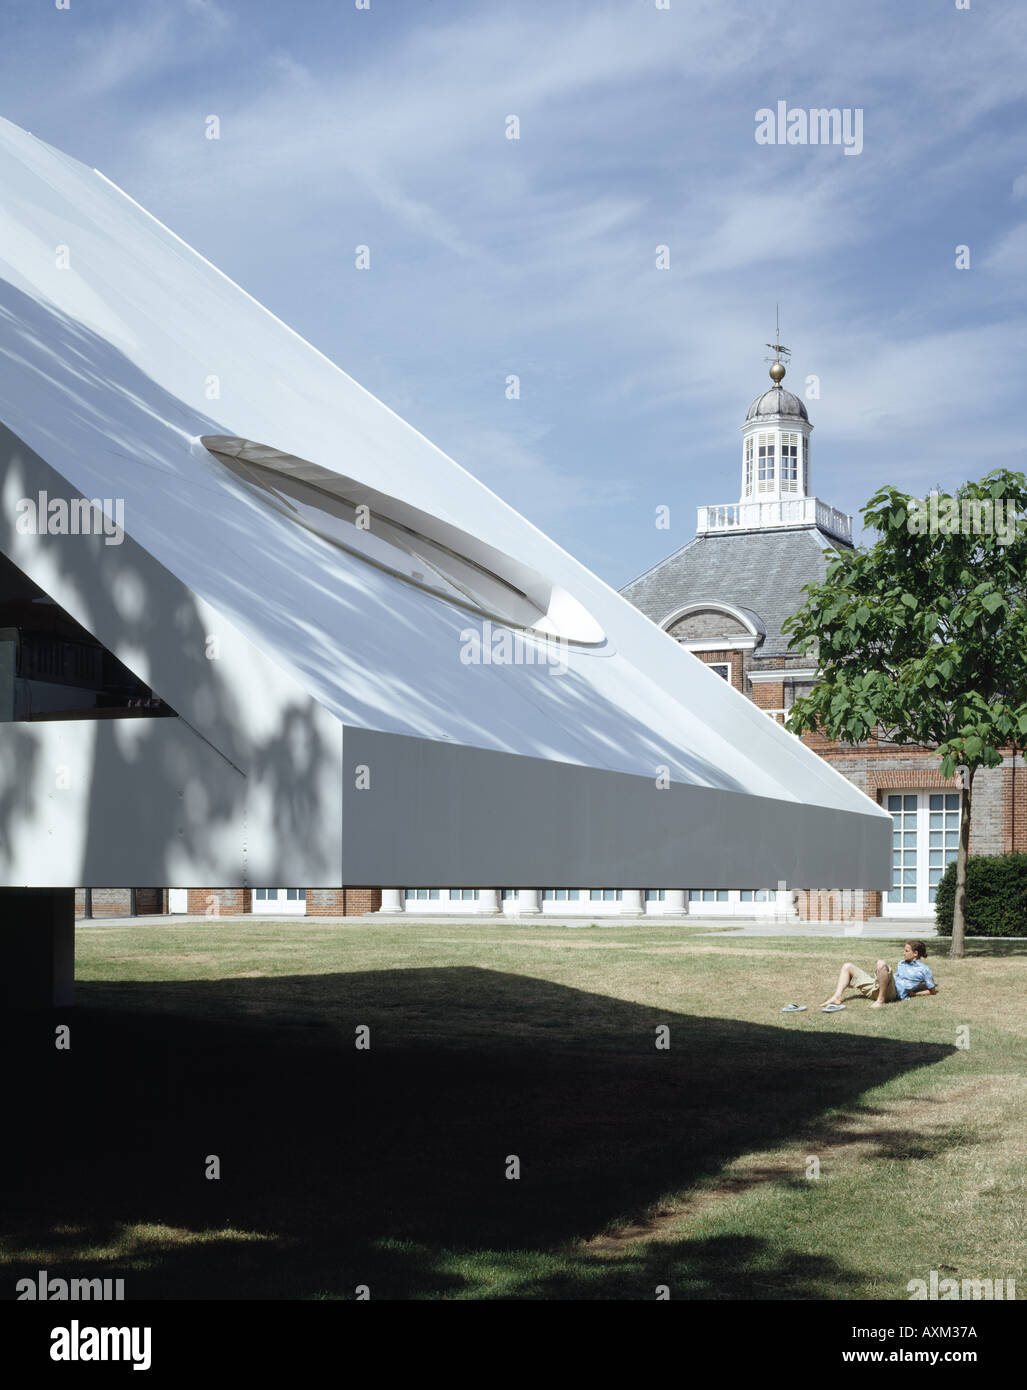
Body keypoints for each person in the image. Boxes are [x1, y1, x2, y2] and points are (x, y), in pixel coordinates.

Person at [821, 940, 938, 1010]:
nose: (903, 953)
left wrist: (915, 994)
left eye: (906, 951)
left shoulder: (924, 970)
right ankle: (837, 997)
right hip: (878, 986)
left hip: (892, 993)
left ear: (915, 953)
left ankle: (880, 1000)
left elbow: (932, 990)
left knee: (881, 963)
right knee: (847, 966)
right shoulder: (901, 963)